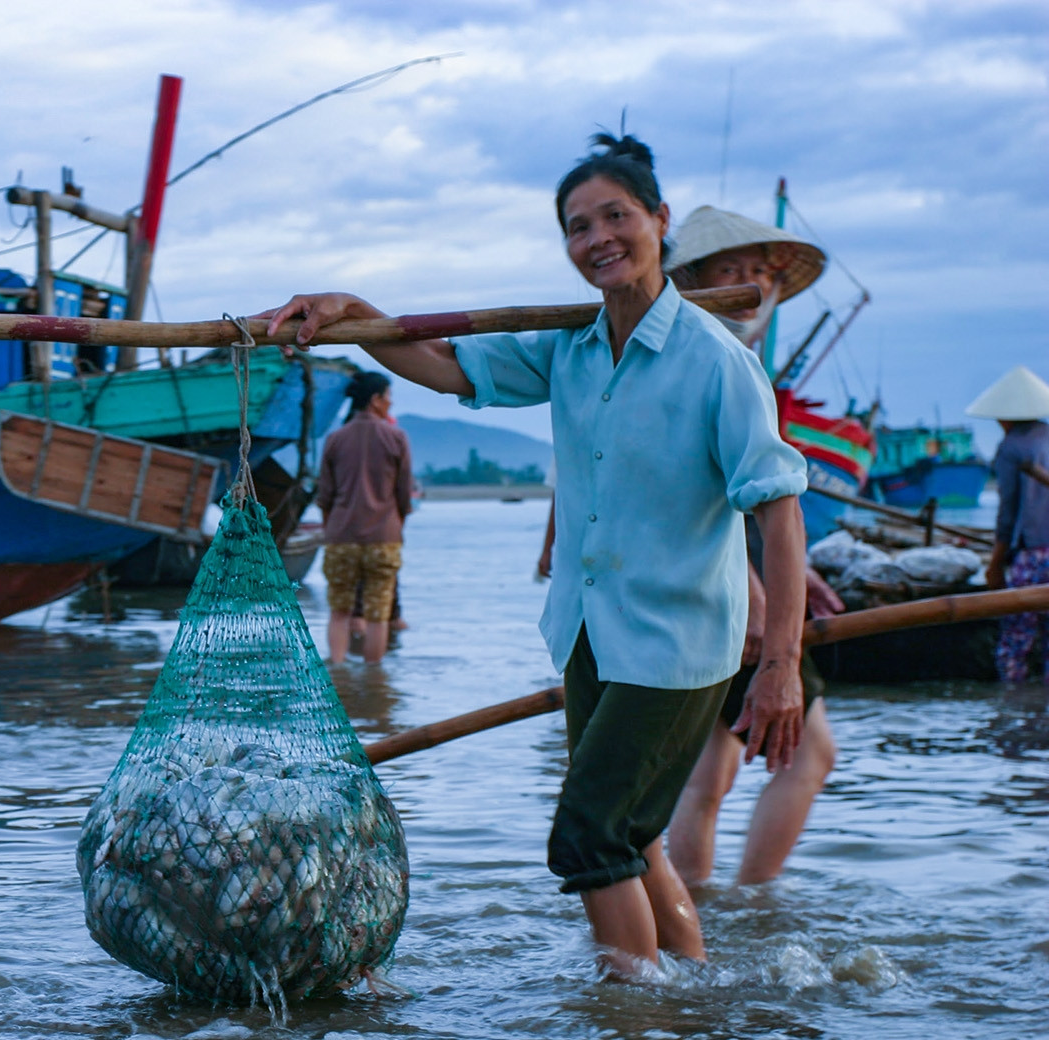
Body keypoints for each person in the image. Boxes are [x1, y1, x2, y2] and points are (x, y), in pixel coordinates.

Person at [261, 133, 809, 975]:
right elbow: (442, 368)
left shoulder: (717, 364)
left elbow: (778, 516)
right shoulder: (570, 345)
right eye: (577, 226)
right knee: (631, 835)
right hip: (592, 632)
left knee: (586, 839)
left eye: (615, 216)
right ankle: (693, 999)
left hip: (677, 645)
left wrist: (780, 668)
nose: (598, 238)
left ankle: (626, 1024)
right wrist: (351, 311)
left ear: (660, 221)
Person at [652, 205, 845, 886]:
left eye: (760, 273)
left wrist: (797, 571)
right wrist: (760, 600)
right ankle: (755, 902)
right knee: (809, 755)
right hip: (733, 593)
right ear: (697, 282)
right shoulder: (713, 358)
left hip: (729, 588)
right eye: (731, 271)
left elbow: (760, 498)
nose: (751, 285)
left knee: (712, 769)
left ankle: (702, 911)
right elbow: (697, 493)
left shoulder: (717, 357)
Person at [318, 370, 415, 663]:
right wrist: (396, 529)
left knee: (339, 613)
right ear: (375, 400)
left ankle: (337, 675)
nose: (391, 403)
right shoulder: (396, 437)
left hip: (340, 538)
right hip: (383, 539)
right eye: (388, 397)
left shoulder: (335, 438)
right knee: (377, 616)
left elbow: (325, 496)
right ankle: (374, 683)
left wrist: (331, 530)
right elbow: (403, 496)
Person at [969, 365, 1049, 681]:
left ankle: (1012, 709)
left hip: (1033, 555)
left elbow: (1008, 513)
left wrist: (995, 564)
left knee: (1016, 641)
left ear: (1005, 417)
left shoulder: (1011, 447)